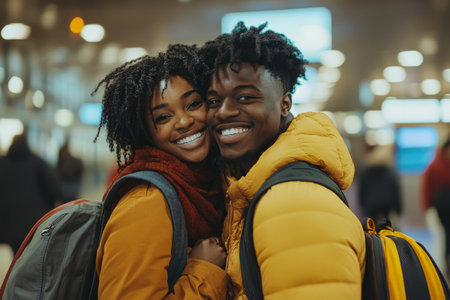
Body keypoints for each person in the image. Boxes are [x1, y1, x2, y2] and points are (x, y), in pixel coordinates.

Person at [199, 22, 366, 299]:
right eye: (214, 101)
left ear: (284, 104)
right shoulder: (250, 184)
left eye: (245, 97)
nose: (224, 112)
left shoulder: (295, 201)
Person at [92, 44, 231, 299]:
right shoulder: (146, 203)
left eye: (193, 104)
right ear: (146, 132)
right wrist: (203, 272)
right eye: (163, 117)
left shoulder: (211, 183)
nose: (184, 121)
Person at [0, 133, 60, 253]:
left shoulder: (3, 163)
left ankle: (17, 267)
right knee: (29, 252)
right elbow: (52, 187)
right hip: (33, 218)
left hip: (8, 219)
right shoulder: (38, 163)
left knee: (16, 251)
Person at [422, 139, 450, 272]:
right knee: (440, 238)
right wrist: (427, 207)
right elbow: (426, 188)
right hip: (438, 209)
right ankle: (441, 265)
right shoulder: (434, 165)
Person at [358, 144, 402, 221]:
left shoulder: (366, 173)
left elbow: (362, 190)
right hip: (386, 205)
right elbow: (395, 191)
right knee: (385, 225)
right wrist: (398, 209)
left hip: (370, 205)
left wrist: (362, 205)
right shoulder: (390, 173)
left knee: (370, 226)